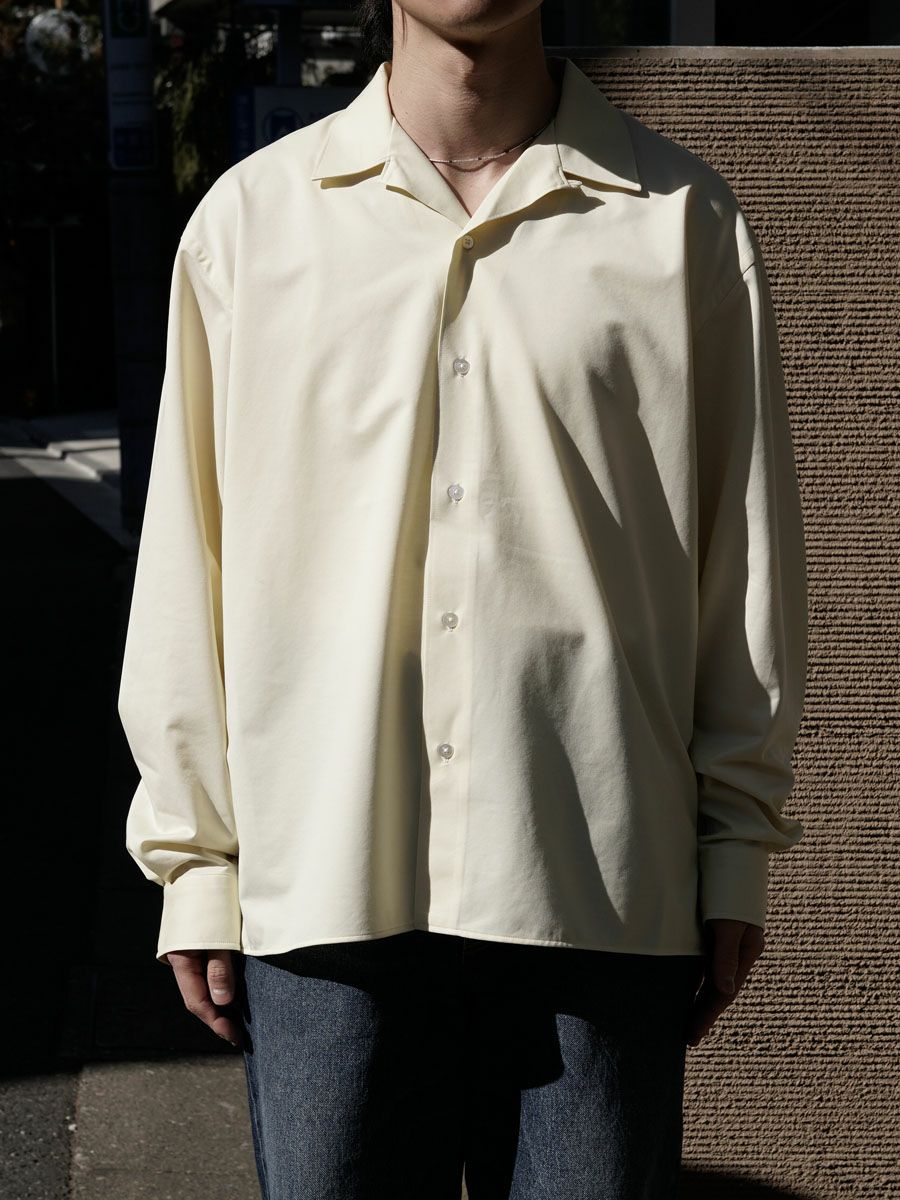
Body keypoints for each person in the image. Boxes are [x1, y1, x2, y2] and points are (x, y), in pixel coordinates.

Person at [117, 2, 808, 1197]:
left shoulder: (682, 226)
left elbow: (742, 564)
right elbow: (190, 560)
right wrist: (196, 860)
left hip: (599, 879)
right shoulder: (251, 226)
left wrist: (734, 845)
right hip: (322, 879)